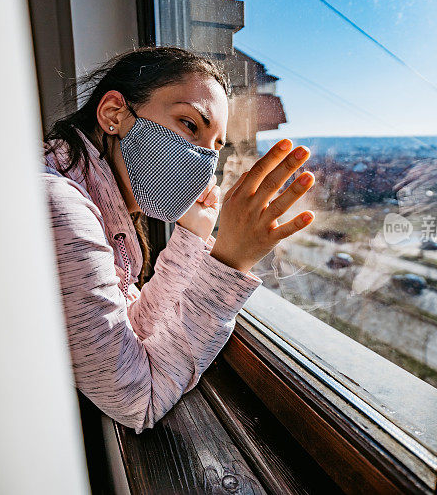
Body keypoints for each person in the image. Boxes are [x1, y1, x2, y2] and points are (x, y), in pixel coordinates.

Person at [42, 46, 316, 433]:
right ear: (114, 114)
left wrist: (192, 237)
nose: (203, 161)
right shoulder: (61, 207)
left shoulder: (100, 206)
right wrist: (229, 263)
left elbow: (130, 330)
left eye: (214, 148)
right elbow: (138, 400)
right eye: (189, 125)